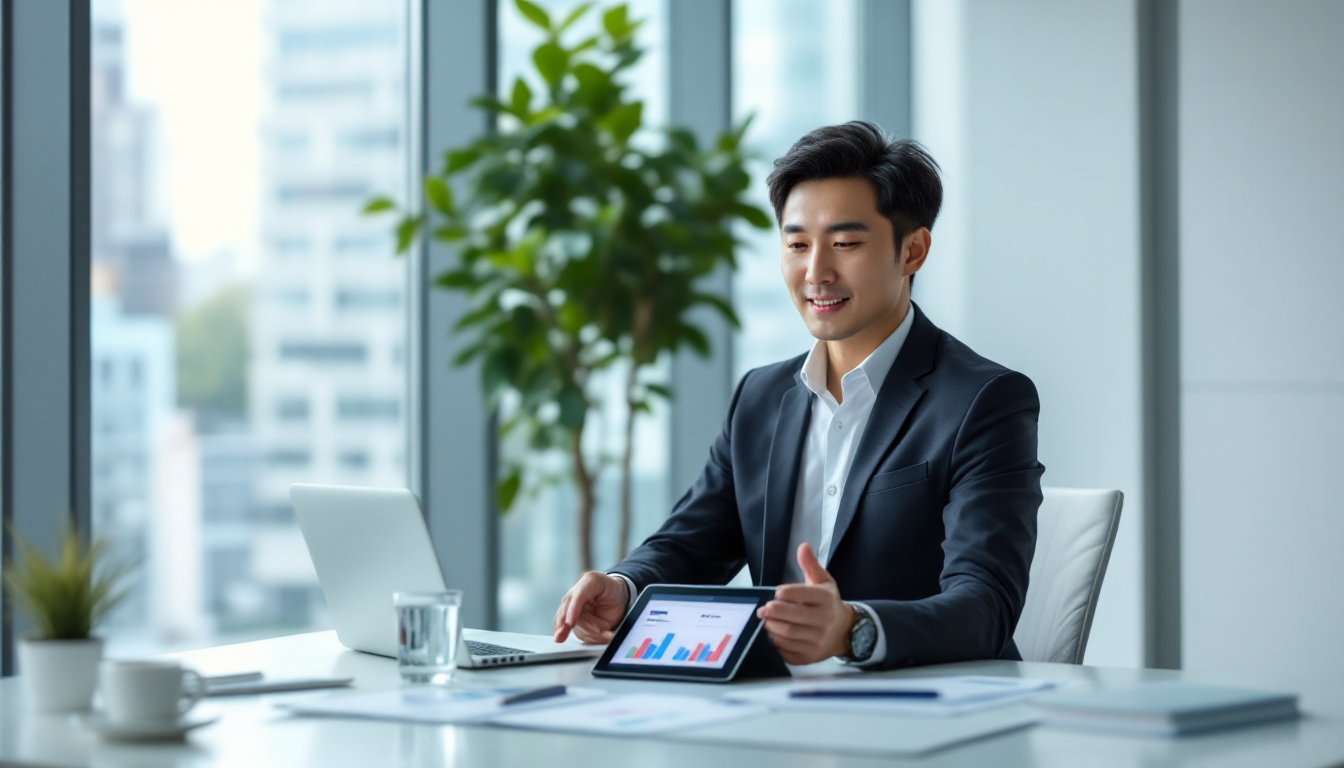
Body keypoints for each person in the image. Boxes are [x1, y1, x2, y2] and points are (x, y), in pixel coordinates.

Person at [553, 121, 1044, 670]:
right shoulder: (761, 396)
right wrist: (624, 585)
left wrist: (852, 629)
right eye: (797, 245)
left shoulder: (985, 400)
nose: (816, 273)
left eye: (846, 244)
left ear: (913, 251)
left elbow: (985, 604)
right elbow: (691, 543)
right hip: (776, 701)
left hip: (927, 712)